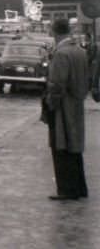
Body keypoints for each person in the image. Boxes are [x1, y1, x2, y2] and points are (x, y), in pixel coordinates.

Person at [43, 18, 90, 200]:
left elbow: (56, 85)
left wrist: (50, 105)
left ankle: (66, 190)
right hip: (77, 104)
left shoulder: (61, 54)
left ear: (54, 32)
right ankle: (79, 188)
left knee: (60, 147)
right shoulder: (79, 51)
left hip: (63, 107)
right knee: (74, 147)